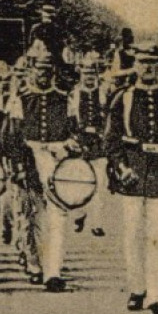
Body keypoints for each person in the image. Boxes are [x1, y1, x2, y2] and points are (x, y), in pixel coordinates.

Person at [106, 45, 158, 314]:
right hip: (133, 173)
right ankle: (136, 289)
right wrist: (121, 168)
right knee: (132, 235)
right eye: (143, 63)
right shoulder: (123, 98)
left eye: (153, 63)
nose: (148, 68)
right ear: (135, 66)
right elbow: (111, 140)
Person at [1, 39, 80, 292]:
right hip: (29, 158)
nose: (44, 75)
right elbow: (11, 137)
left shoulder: (62, 97)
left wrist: (70, 145)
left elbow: (74, 131)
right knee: (31, 216)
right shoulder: (21, 98)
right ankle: (34, 262)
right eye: (39, 69)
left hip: (56, 160)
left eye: (48, 70)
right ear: (32, 70)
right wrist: (18, 166)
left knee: (58, 216)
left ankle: (53, 271)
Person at [69, 51, 110, 239]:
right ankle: (79, 214)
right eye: (86, 74)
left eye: (92, 74)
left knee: (100, 184)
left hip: (99, 145)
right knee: (80, 183)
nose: (89, 78)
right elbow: (69, 120)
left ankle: (98, 223)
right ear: (81, 75)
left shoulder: (103, 94)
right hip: (80, 143)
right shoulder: (74, 94)